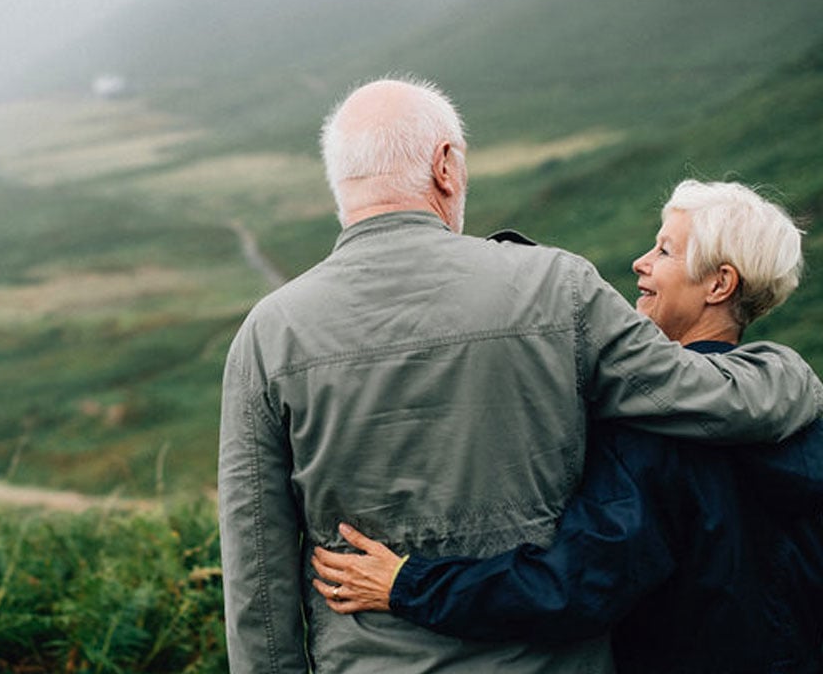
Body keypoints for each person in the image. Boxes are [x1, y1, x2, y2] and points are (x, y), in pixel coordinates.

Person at [217, 77, 823, 673]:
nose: (644, 261)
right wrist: (791, 375)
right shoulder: (558, 288)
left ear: (340, 185)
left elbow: (256, 577)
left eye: (665, 250)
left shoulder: (267, 334)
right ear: (446, 166)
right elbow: (704, 395)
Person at [310, 180, 823, 672]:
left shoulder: (652, 433)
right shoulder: (802, 421)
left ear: (720, 284)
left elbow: (574, 589)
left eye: (665, 252)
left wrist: (406, 584)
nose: (640, 263)